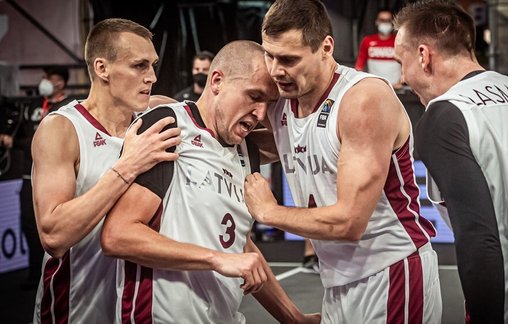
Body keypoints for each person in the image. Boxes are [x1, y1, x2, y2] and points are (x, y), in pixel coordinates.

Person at [243, 0, 442, 322]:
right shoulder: (281, 100)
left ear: (325, 47)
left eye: (289, 59)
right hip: (337, 280)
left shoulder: (362, 99)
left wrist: (268, 212)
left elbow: (349, 223)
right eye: (270, 54)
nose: (276, 70)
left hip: (390, 271)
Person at [100, 40, 320, 324]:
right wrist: (216, 258)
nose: (261, 114)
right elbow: (119, 235)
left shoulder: (244, 151)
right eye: (254, 96)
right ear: (216, 81)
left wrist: (293, 318)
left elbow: (236, 245)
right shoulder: (170, 126)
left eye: (269, 103)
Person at [393, 1, 508, 323]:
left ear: (423, 55)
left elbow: (478, 237)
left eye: (401, 61)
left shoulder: (447, 114)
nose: (402, 76)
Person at [31, 18, 181, 323]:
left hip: (141, 310)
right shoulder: (62, 129)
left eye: (152, 65)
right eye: (139, 66)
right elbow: (54, 235)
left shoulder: (158, 114)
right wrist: (128, 165)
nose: (151, 76)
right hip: (75, 310)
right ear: (102, 69)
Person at [0, 66, 73, 290]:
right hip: (28, 175)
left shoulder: (69, 108)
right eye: (44, 77)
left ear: (60, 82)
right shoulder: (33, 106)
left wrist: (20, 143)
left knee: (60, 224)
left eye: (49, 78)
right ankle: (35, 273)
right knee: (29, 225)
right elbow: (23, 135)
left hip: (57, 175)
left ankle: (63, 271)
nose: (44, 81)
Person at [354, 7, 403, 89]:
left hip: (396, 88)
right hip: (375, 87)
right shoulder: (367, 41)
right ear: (377, 22)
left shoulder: (399, 41)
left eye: (388, 20)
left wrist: (402, 81)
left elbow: (406, 63)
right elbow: (359, 65)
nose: (385, 23)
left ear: (392, 22)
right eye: (382, 20)